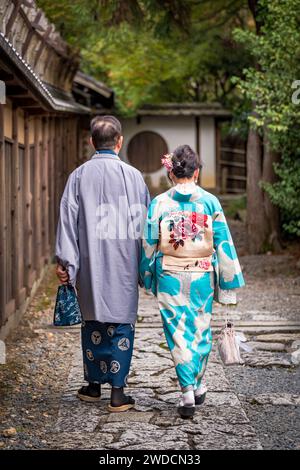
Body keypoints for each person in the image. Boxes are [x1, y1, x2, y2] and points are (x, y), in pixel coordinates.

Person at [140, 145, 245, 418]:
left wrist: (147, 275)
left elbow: (149, 245)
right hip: (201, 276)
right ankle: (194, 386)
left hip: (169, 276)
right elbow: (223, 243)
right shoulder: (210, 202)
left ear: (172, 173)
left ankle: (189, 389)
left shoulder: (159, 203)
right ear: (196, 172)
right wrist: (228, 283)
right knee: (200, 329)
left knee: (177, 332)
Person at [55, 115, 150, 412]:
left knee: (93, 321)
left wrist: (66, 264)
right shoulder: (135, 176)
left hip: (90, 261)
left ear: (91, 142)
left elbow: (67, 222)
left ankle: (94, 386)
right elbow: (146, 223)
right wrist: (145, 267)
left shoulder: (79, 176)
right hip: (124, 261)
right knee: (121, 324)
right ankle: (118, 392)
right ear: (119, 142)